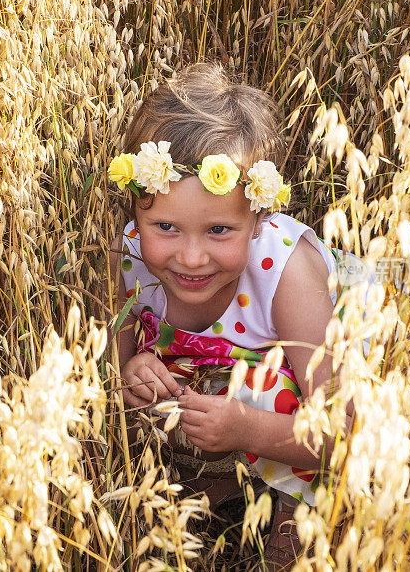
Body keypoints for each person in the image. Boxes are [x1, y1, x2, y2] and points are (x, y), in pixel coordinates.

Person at [108, 63, 342, 567]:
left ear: (257, 219)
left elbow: (340, 428)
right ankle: (212, 486)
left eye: (218, 231)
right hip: (219, 367)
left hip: (311, 365)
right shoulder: (129, 255)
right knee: (160, 388)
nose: (191, 259)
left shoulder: (286, 275)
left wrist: (244, 429)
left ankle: (293, 521)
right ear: (136, 212)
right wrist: (130, 373)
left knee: (267, 395)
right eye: (166, 226)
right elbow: (113, 369)